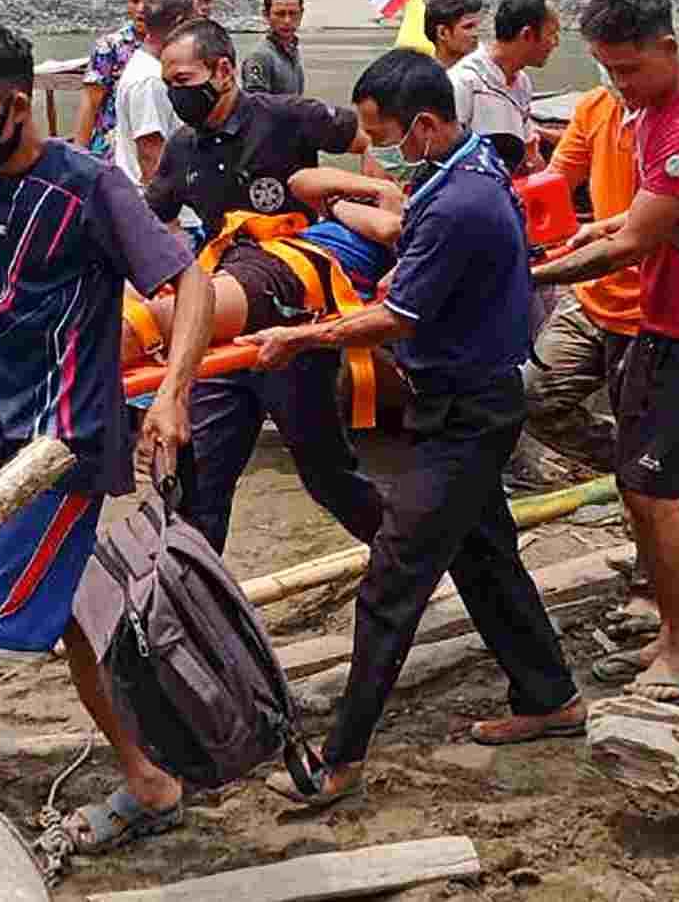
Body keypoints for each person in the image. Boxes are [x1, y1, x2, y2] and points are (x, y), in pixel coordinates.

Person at [246, 51, 585, 809]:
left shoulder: (461, 197)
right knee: (486, 561)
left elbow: (397, 317)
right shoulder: (459, 176)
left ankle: (340, 759)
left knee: (392, 581)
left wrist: (304, 338)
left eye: (384, 134)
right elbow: (424, 269)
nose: (380, 149)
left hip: (468, 415)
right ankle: (550, 695)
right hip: (459, 403)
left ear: (426, 124)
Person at [0, 23, 213, 854]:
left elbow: (190, 280)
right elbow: (15, 320)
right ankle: (151, 781)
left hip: (63, 452)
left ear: (14, 108)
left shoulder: (89, 189)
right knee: (80, 624)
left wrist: (172, 398)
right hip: (10, 451)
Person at [534, 0, 679, 707]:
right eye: (607, 72)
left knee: (655, 495)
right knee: (638, 485)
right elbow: (629, 217)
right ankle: (669, 630)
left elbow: (635, 241)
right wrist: (592, 229)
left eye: (629, 70)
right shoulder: (648, 114)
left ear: (669, 48)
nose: (618, 85)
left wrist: (533, 271)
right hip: (659, 324)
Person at [143, 19, 382, 551]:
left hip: (291, 321)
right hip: (222, 324)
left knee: (327, 477)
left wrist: (367, 209)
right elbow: (151, 218)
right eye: (168, 86)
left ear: (223, 70)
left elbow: (371, 140)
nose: (176, 95)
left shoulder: (285, 118)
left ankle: (405, 558)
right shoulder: (183, 148)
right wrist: (175, 264)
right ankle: (192, 606)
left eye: (184, 81)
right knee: (200, 483)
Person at [118, 166, 400, 365]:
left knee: (144, 325)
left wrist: (336, 206)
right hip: (254, 253)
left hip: (292, 277)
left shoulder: (422, 220)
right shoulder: (373, 197)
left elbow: (389, 227)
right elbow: (300, 182)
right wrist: (377, 188)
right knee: (126, 294)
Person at [523, 70, 642, 472]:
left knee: (650, 420)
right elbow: (551, 187)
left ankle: (651, 478)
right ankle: (624, 465)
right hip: (594, 292)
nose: (616, 76)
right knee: (534, 398)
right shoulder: (595, 107)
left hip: (660, 306)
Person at [67, 0, 185, 153]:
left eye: (150, 1)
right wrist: (78, 157)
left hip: (170, 145)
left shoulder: (185, 46)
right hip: (118, 152)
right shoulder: (110, 47)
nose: (140, 9)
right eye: (134, 0)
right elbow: (90, 104)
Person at [451, 0, 557, 173]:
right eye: (551, 34)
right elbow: (446, 156)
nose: (555, 43)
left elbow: (529, 152)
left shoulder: (522, 82)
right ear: (527, 34)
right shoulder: (464, 82)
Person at [109, 0, 196, 188]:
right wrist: (167, 217)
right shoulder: (150, 80)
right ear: (179, 22)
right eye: (194, 22)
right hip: (169, 209)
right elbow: (151, 155)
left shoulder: (153, 69)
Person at [243, 0, 306, 96]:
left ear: (301, 14)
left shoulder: (292, 52)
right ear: (266, 15)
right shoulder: (260, 57)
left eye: (293, 13)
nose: (287, 21)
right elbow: (257, 107)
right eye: (280, 14)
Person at [423, 0, 486, 68]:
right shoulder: (423, 77)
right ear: (442, 33)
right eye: (468, 27)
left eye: (476, 26)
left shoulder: (487, 66)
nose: (476, 34)